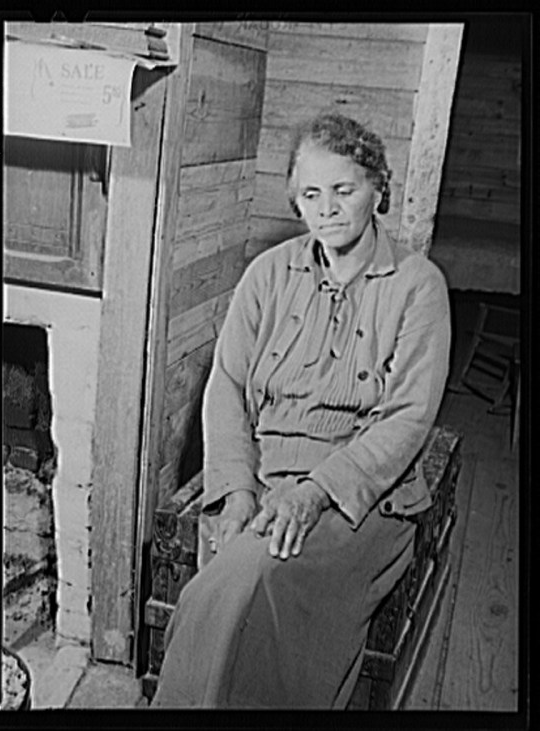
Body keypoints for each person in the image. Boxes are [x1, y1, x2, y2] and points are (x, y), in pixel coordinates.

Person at [151, 112, 451, 709]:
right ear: (295, 200)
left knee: (252, 580)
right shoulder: (268, 274)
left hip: (362, 497)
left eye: (344, 190)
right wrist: (237, 490)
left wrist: (314, 493)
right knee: (228, 584)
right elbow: (227, 385)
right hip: (267, 477)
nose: (327, 209)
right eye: (311, 194)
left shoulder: (418, 285)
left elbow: (408, 418)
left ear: (378, 190)